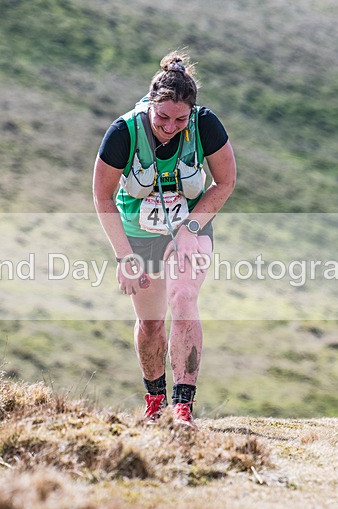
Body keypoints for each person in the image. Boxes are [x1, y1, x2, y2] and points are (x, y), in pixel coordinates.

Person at [93, 50, 237, 429]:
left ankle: (183, 408)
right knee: (151, 323)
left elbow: (226, 181)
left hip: (190, 229)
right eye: (162, 117)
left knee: (183, 300)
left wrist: (191, 228)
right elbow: (103, 197)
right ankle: (154, 403)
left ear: (191, 112)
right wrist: (124, 257)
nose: (170, 127)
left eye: (180, 119)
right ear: (150, 106)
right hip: (138, 233)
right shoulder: (123, 132)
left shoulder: (205, 126)